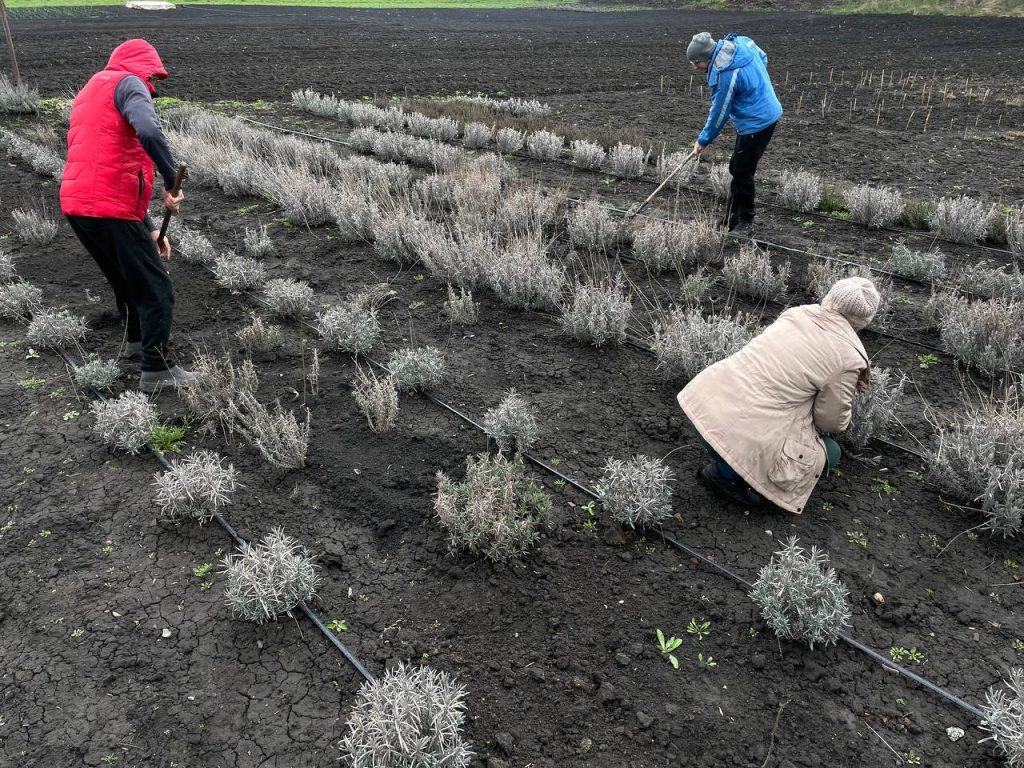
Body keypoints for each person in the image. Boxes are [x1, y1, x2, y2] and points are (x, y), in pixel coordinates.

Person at [60, 38, 195, 393]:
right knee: (156, 288)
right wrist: (170, 181)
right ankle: (157, 368)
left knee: (126, 279)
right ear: (145, 68)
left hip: (79, 204)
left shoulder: (92, 88)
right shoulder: (130, 83)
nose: (153, 87)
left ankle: (137, 340)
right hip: (108, 207)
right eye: (154, 79)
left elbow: (98, 157)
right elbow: (148, 130)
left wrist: (149, 227)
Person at [677, 277, 879, 513]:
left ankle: (728, 468)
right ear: (865, 320)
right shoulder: (848, 357)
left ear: (830, 297)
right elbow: (831, 422)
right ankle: (729, 477)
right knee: (830, 453)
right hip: (736, 439)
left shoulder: (795, 314)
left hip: (703, 407)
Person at [686, 31, 783, 238]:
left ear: (707, 57)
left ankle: (745, 223)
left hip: (757, 122)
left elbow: (720, 112)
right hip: (763, 112)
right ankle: (731, 217)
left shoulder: (725, 74)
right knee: (737, 167)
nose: (694, 67)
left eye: (696, 62)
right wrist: (755, 87)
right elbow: (763, 57)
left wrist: (704, 139)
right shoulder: (741, 43)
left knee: (742, 172)